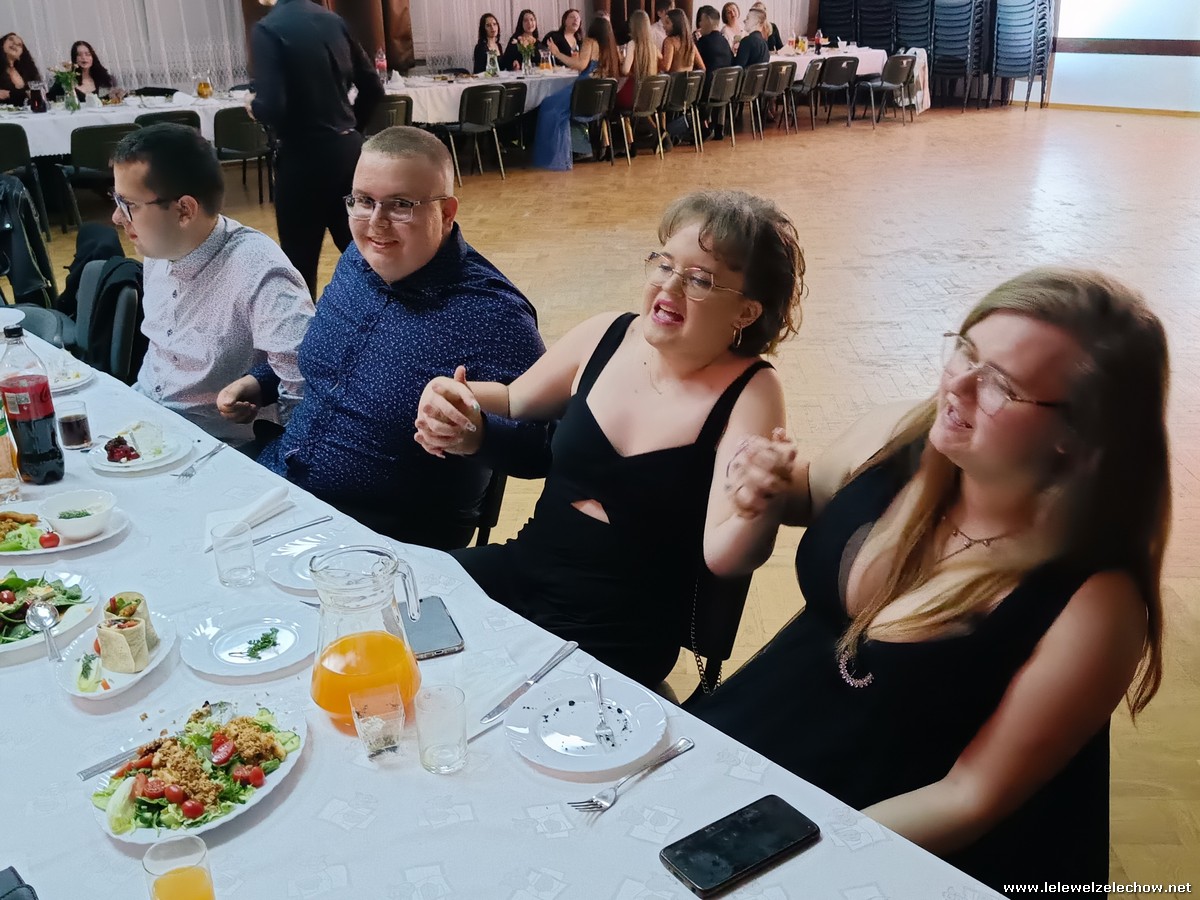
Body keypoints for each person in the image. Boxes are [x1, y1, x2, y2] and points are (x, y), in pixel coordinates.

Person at [688, 268, 1170, 893]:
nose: (956, 385)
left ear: (1077, 437)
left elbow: (970, 796)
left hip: (895, 831)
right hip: (768, 740)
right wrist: (768, 481)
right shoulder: (901, 436)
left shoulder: (1098, 605)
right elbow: (812, 491)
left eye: (1001, 385)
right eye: (966, 352)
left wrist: (797, 860)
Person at [413, 190, 804, 686]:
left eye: (699, 280)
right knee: (402, 600)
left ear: (745, 312)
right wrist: (455, 396)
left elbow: (723, 557)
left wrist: (757, 508)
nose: (669, 286)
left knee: (484, 694)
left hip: (621, 628)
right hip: (522, 571)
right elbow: (514, 399)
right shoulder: (608, 334)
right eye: (665, 264)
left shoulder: (752, 391)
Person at [218, 126, 544, 550]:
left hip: (385, 537)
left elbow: (544, 446)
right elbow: (333, 356)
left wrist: (478, 435)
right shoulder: (357, 260)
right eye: (364, 201)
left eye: (401, 205)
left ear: (446, 212)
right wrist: (263, 381)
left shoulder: (494, 315)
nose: (375, 223)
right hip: (284, 486)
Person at [110, 124, 312, 444]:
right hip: (143, 418)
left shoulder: (259, 272)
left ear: (184, 210)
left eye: (129, 205)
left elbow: (302, 387)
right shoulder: (158, 249)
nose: (117, 217)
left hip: (207, 446)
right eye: (117, 200)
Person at [248, 0, 383, 299]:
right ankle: (393, 321)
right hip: (349, 154)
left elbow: (272, 105)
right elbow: (373, 87)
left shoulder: (268, 29)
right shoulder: (333, 21)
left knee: (299, 265)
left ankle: (308, 330)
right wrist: (350, 131)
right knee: (365, 255)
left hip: (303, 161)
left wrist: (254, 106)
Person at [536, 17, 622, 170]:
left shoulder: (590, 42)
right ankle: (580, 147)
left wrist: (557, 53)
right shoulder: (613, 48)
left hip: (583, 92)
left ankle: (556, 153)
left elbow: (581, 65)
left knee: (548, 105)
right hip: (601, 103)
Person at [616, 10, 661, 111]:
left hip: (635, 93)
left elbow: (625, 70)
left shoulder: (633, 44)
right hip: (650, 94)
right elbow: (662, 60)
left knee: (612, 97)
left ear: (633, 26)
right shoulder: (653, 46)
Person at [47, 41, 117, 102]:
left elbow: (109, 100)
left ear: (93, 57)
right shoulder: (65, 79)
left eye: (87, 54)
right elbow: (50, 99)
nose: (84, 57)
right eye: (79, 55)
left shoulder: (104, 79)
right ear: (74, 58)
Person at [661, 9, 705, 73]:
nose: (664, 26)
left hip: (674, 79)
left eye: (667, 23)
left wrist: (657, 58)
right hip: (688, 79)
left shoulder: (670, 41)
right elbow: (702, 67)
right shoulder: (690, 42)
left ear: (676, 24)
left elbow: (666, 67)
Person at [0, 33, 38, 106]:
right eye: (11, 39)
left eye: (19, 45)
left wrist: (8, 94)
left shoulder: (27, 72)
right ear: (2, 44)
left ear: (21, 54)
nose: (15, 44)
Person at [696, 6, 734, 74]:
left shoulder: (703, 42)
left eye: (701, 20)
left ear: (708, 21)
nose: (700, 24)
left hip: (708, 80)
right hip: (726, 80)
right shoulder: (725, 42)